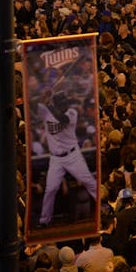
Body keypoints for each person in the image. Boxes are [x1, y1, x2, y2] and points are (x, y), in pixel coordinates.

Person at [35, 92, 98, 228]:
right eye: (62, 103)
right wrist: (41, 98)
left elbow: (61, 119)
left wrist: (49, 105)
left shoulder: (71, 113)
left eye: (65, 103)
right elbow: (32, 106)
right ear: (57, 104)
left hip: (72, 155)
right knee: (50, 189)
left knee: (89, 182)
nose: (65, 105)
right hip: (56, 158)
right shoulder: (47, 111)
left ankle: (103, 207)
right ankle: (44, 220)